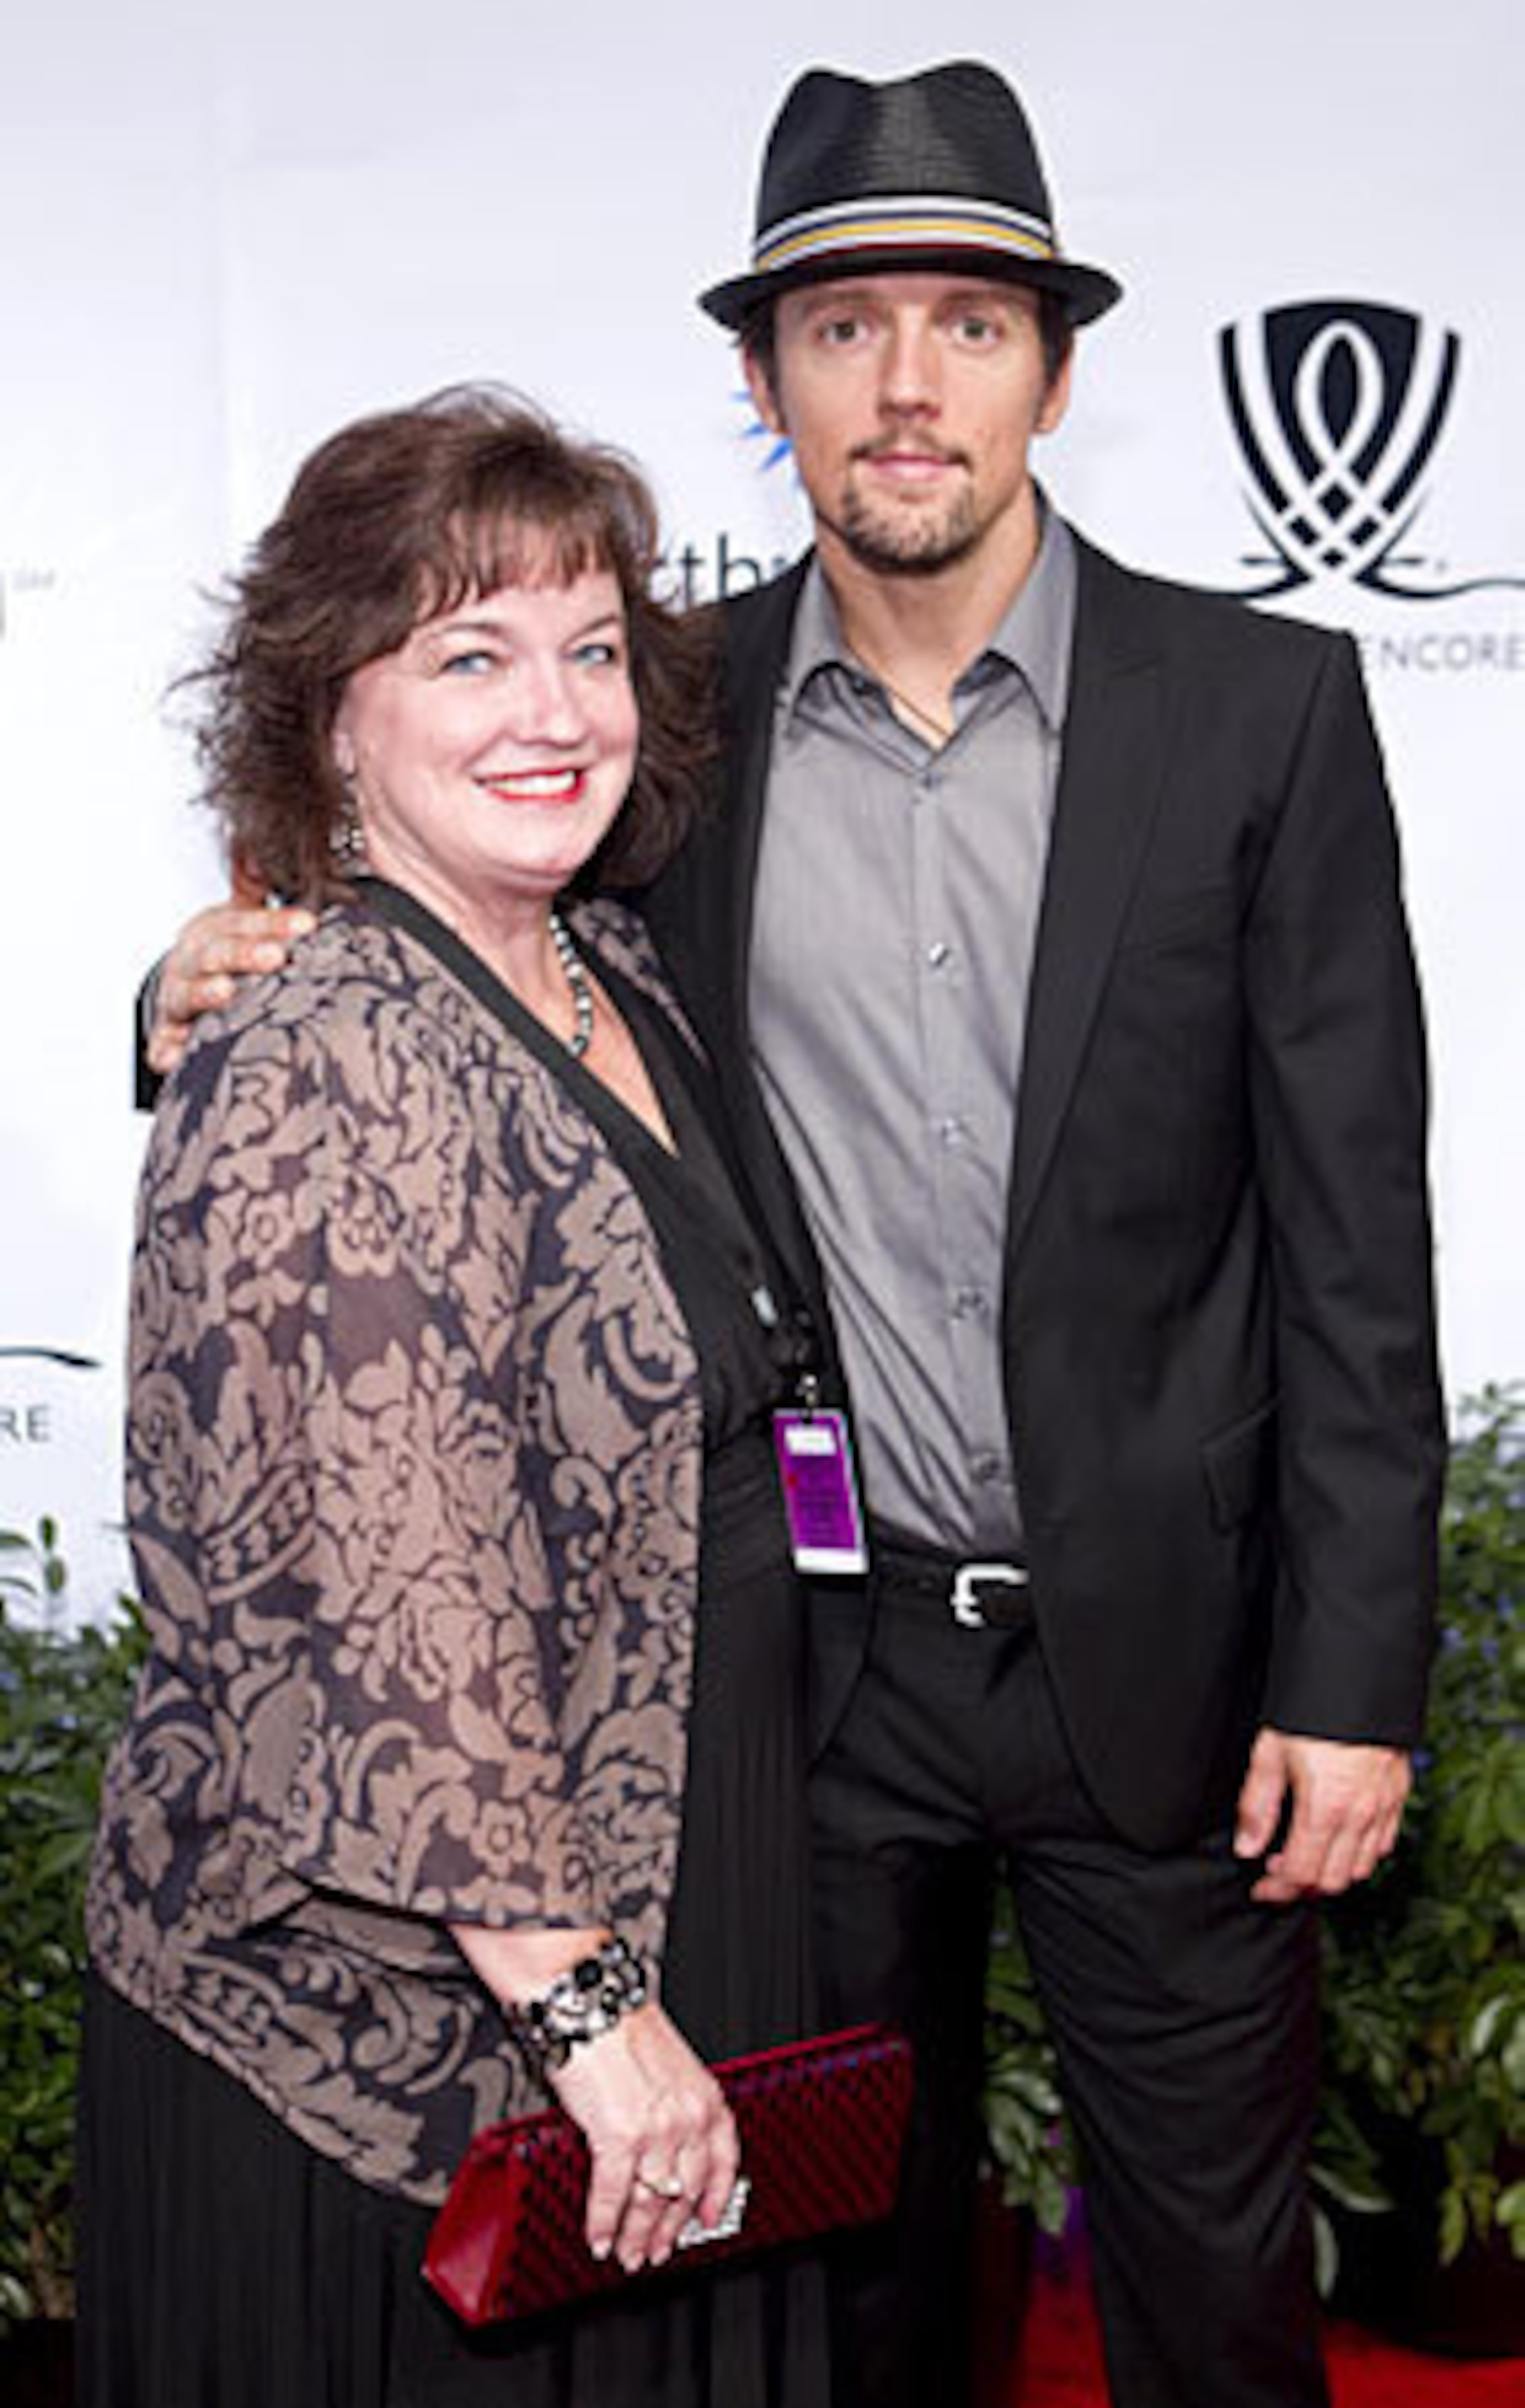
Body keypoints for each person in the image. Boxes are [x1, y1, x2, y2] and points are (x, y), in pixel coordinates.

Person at [143, 59, 1447, 2408]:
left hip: (1170, 1662)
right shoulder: (666, 717)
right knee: (838, 2307)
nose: (909, 385)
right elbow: (458, 971)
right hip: (811, 1693)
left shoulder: (1261, 712)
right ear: (766, 384)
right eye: (846, 330)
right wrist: (190, 985)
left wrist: (1353, 1675)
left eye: (971, 324)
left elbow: (1359, 1232)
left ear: (1056, 371)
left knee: (1218, 2295)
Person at [87, 387, 838, 2408]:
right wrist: (588, 2015)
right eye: (471, 657)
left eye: (591, 649)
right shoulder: (329, 1052)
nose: (554, 712)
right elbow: (381, 1603)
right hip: (420, 2033)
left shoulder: (604, 970)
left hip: (674, 1881)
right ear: (333, 715)